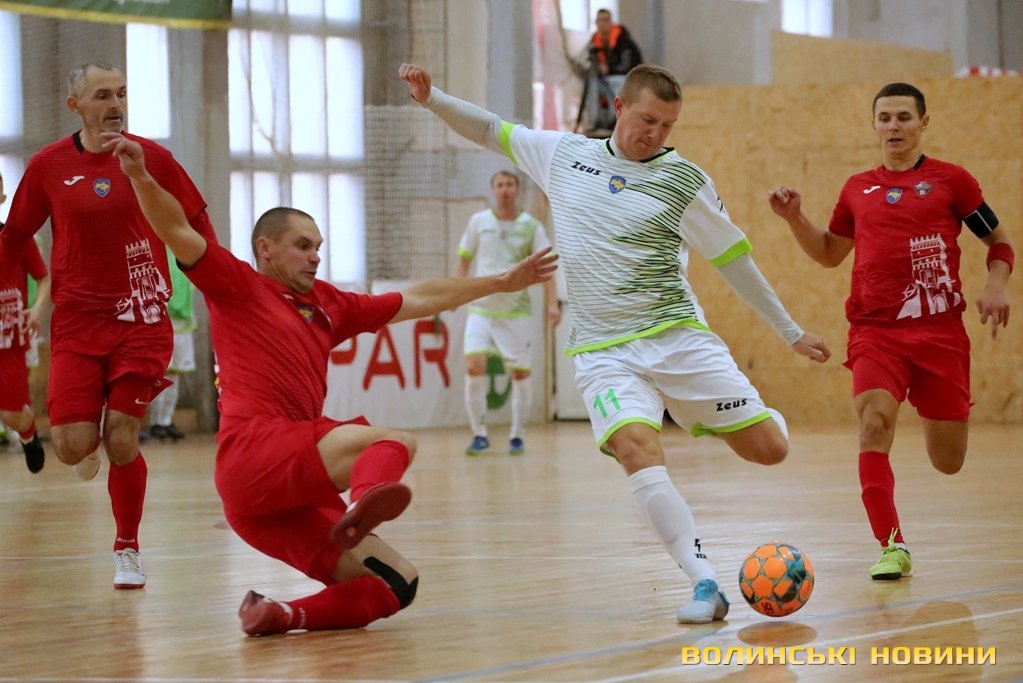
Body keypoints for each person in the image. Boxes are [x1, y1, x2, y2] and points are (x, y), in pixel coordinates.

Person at [399, 62, 831, 624]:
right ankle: (703, 582)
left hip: (677, 340)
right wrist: (432, 98)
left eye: (668, 125)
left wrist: (791, 332)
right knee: (635, 448)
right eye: (648, 119)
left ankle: (756, 419)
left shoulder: (685, 182)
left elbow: (733, 262)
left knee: (769, 450)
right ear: (620, 107)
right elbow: (489, 130)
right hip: (603, 351)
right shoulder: (563, 154)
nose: (656, 133)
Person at [104, 131, 558, 636]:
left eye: (318, 247)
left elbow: (422, 298)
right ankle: (364, 503)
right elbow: (175, 229)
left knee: (397, 584)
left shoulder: (328, 304)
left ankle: (282, 615)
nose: (315, 256)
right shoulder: (238, 286)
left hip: (274, 504)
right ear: (265, 249)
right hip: (254, 453)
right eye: (302, 246)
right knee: (393, 442)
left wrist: (499, 283)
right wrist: (140, 176)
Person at [768, 82, 1014, 581]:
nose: (894, 126)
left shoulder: (954, 182)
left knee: (948, 461)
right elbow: (830, 253)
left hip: (940, 335)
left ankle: (938, 412)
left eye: (904, 117)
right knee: (874, 422)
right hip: (875, 333)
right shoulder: (857, 189)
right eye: (885, 118)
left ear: (923, 123)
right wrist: (795, 218)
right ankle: (891, 545)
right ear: (874, 125)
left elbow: (1000, 244)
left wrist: (995, 286)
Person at [0, 62, 218, 589]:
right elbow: (14, 236)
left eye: (121, 93)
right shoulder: (48, 166)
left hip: (141, 317)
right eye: (102, 95)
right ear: (75, 105)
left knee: (122, 436)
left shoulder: (153, 158)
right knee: (72, 445)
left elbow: (196, 220)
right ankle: (84, 444)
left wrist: (224, 286)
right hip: (78, 323)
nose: (115, 104)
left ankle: (127, 547)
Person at [456, 170, 561, 456]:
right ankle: (479, 434)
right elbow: (464, 260)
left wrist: (552, 304)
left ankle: (517, 435)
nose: (504, 189)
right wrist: (456, 292)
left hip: (516, 313)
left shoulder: (531, 226)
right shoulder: (478, 222)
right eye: (499, 185)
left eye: (509, 184)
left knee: (520, 373)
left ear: (517, 189)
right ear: (493, 189)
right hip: (481, 308)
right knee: (473, 366)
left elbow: (547, 268)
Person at [0, 170, 51, 473]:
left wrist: (38, 308)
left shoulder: (18, 238)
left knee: (12, 414)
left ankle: (28, 434)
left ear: (3, 197)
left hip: (9, 338)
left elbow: (44, 278)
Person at [145, 249, 196, 442]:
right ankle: (155, 422)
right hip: (162, 320)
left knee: (176, 374)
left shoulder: (185, 251)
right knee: (161, 373)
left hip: (184, 322)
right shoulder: (155, 249)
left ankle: (166, 420)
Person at [579, 8, 643, 135]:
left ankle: (618, 119)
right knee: (592, 84)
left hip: (625, 78)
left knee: (617, 83)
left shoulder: (623, 40)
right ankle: (596, 121)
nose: (602, 24)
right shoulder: (594, 42)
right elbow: (585, 60)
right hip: (604, 80)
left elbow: (628, 66)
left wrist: (609, 69)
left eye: (605, 20)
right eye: (599, 21)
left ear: (611, 22)